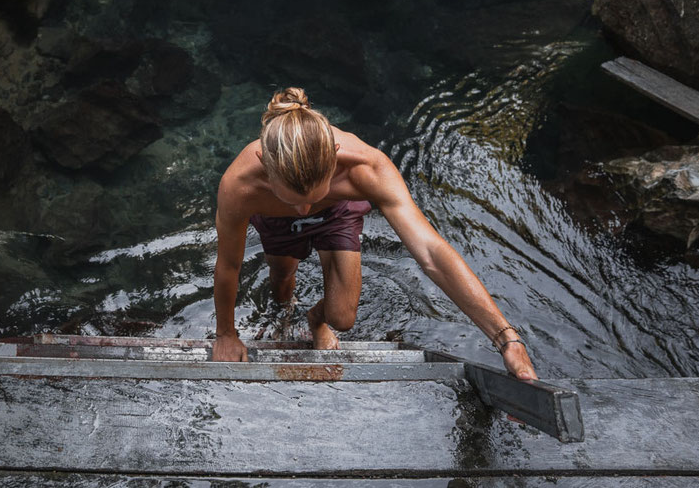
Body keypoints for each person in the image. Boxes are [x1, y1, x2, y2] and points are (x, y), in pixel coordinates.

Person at [211, 87, 537, 381]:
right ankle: (283, 314)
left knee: (342, 316)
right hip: (273, 218)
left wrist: (505, 337)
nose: (304, 211)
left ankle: (316, 320)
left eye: (314, 196)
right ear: (262, 162)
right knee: (281, 277)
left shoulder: (366, 169)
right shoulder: (240, 186)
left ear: (334, 154)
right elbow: (229, 266)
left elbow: (431, 253)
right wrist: (226, 333)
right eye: (295, 201)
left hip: (337, 212)